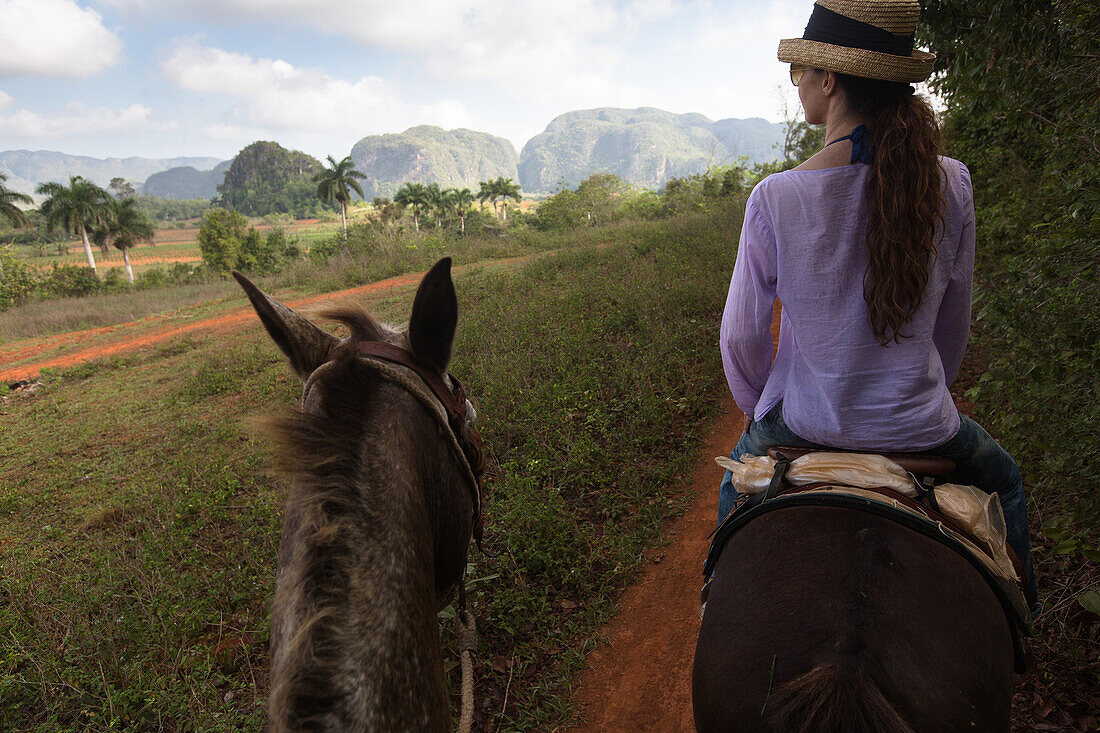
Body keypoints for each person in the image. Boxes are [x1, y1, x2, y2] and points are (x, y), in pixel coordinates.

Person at [717, 0, 1038, 612]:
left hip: (805, 424)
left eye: (801, 73)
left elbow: (741, 339)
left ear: (829, 79)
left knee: (731, 520)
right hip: (922, 426)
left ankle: (714, 600)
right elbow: (951, 325)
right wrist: (917, 391)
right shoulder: (952, 183)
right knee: (1005, 483)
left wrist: (764, 408)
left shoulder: (776, 197)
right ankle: (1023, 622)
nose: (800, 84)